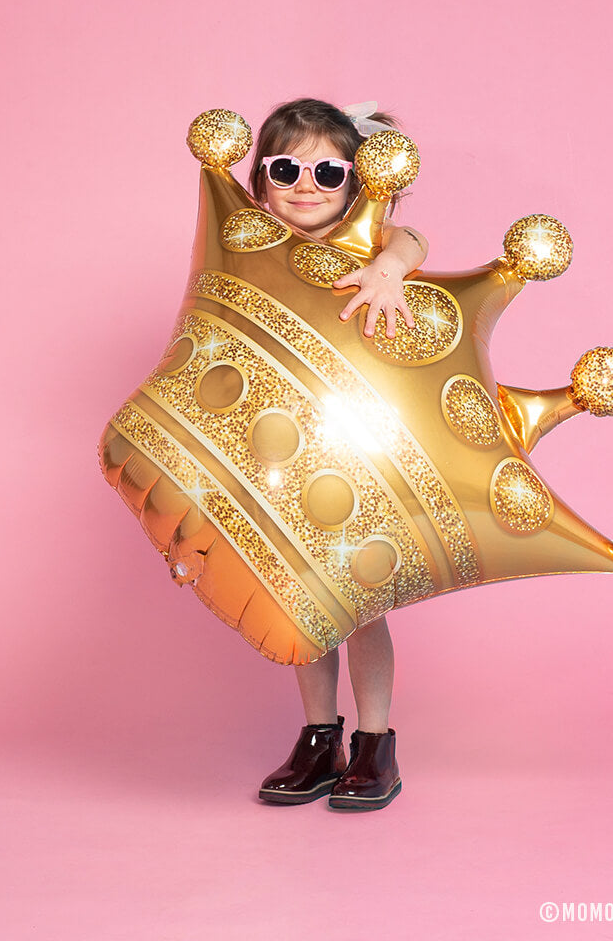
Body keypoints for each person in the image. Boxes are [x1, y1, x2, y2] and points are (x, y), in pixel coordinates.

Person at [250, 98, 428, 811]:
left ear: (357, 182)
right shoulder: (249, 237)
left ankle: (375, 744)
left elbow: (411, 235)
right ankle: (319, 736)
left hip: (358, 447)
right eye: (287, 168)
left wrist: (390, 265)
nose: (306, 186)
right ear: (261, 180)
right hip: (282, 448)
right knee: (305, 602)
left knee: (361, 605)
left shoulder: (368, 242)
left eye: (330, 172)